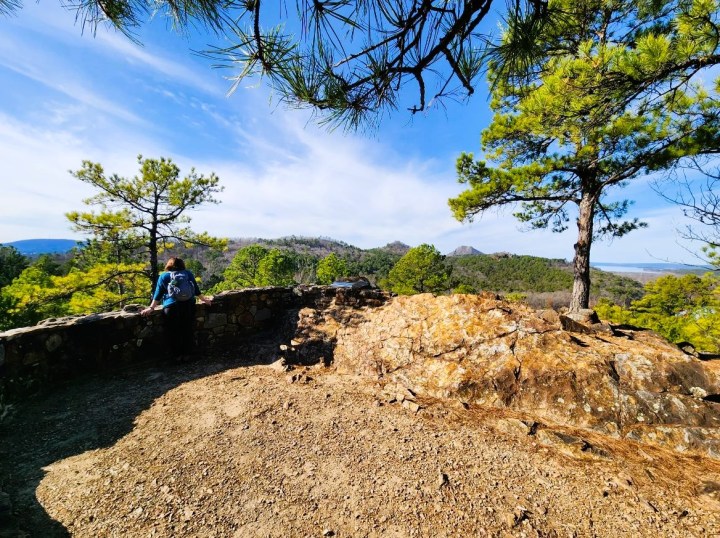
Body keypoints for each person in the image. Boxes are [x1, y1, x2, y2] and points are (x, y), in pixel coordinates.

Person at [141, 257, 211, 359]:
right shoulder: (188, 273)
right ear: (182, 264)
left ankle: (176, 357)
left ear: (169, 265)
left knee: (174, 332)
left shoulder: (164, 276)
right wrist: (204, 300)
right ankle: (187, 355)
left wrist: (151, 308)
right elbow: (196, 289)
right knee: (187, 330)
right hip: (188, 305)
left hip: (171, 307)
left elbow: (158, 293)